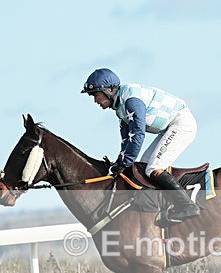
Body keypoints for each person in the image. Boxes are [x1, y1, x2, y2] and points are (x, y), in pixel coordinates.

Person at [81, 68, 201, 222]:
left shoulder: (131, 101)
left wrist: (125, 162)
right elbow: (127, 139)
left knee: (153, 168)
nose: (95, 101)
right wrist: (120, 162)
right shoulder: (120, 108)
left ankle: (187, 206)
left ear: (109, 90)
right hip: (169, 128)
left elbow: (138, 134)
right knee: (143, 167)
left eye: (96, 95)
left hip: (181, 124)